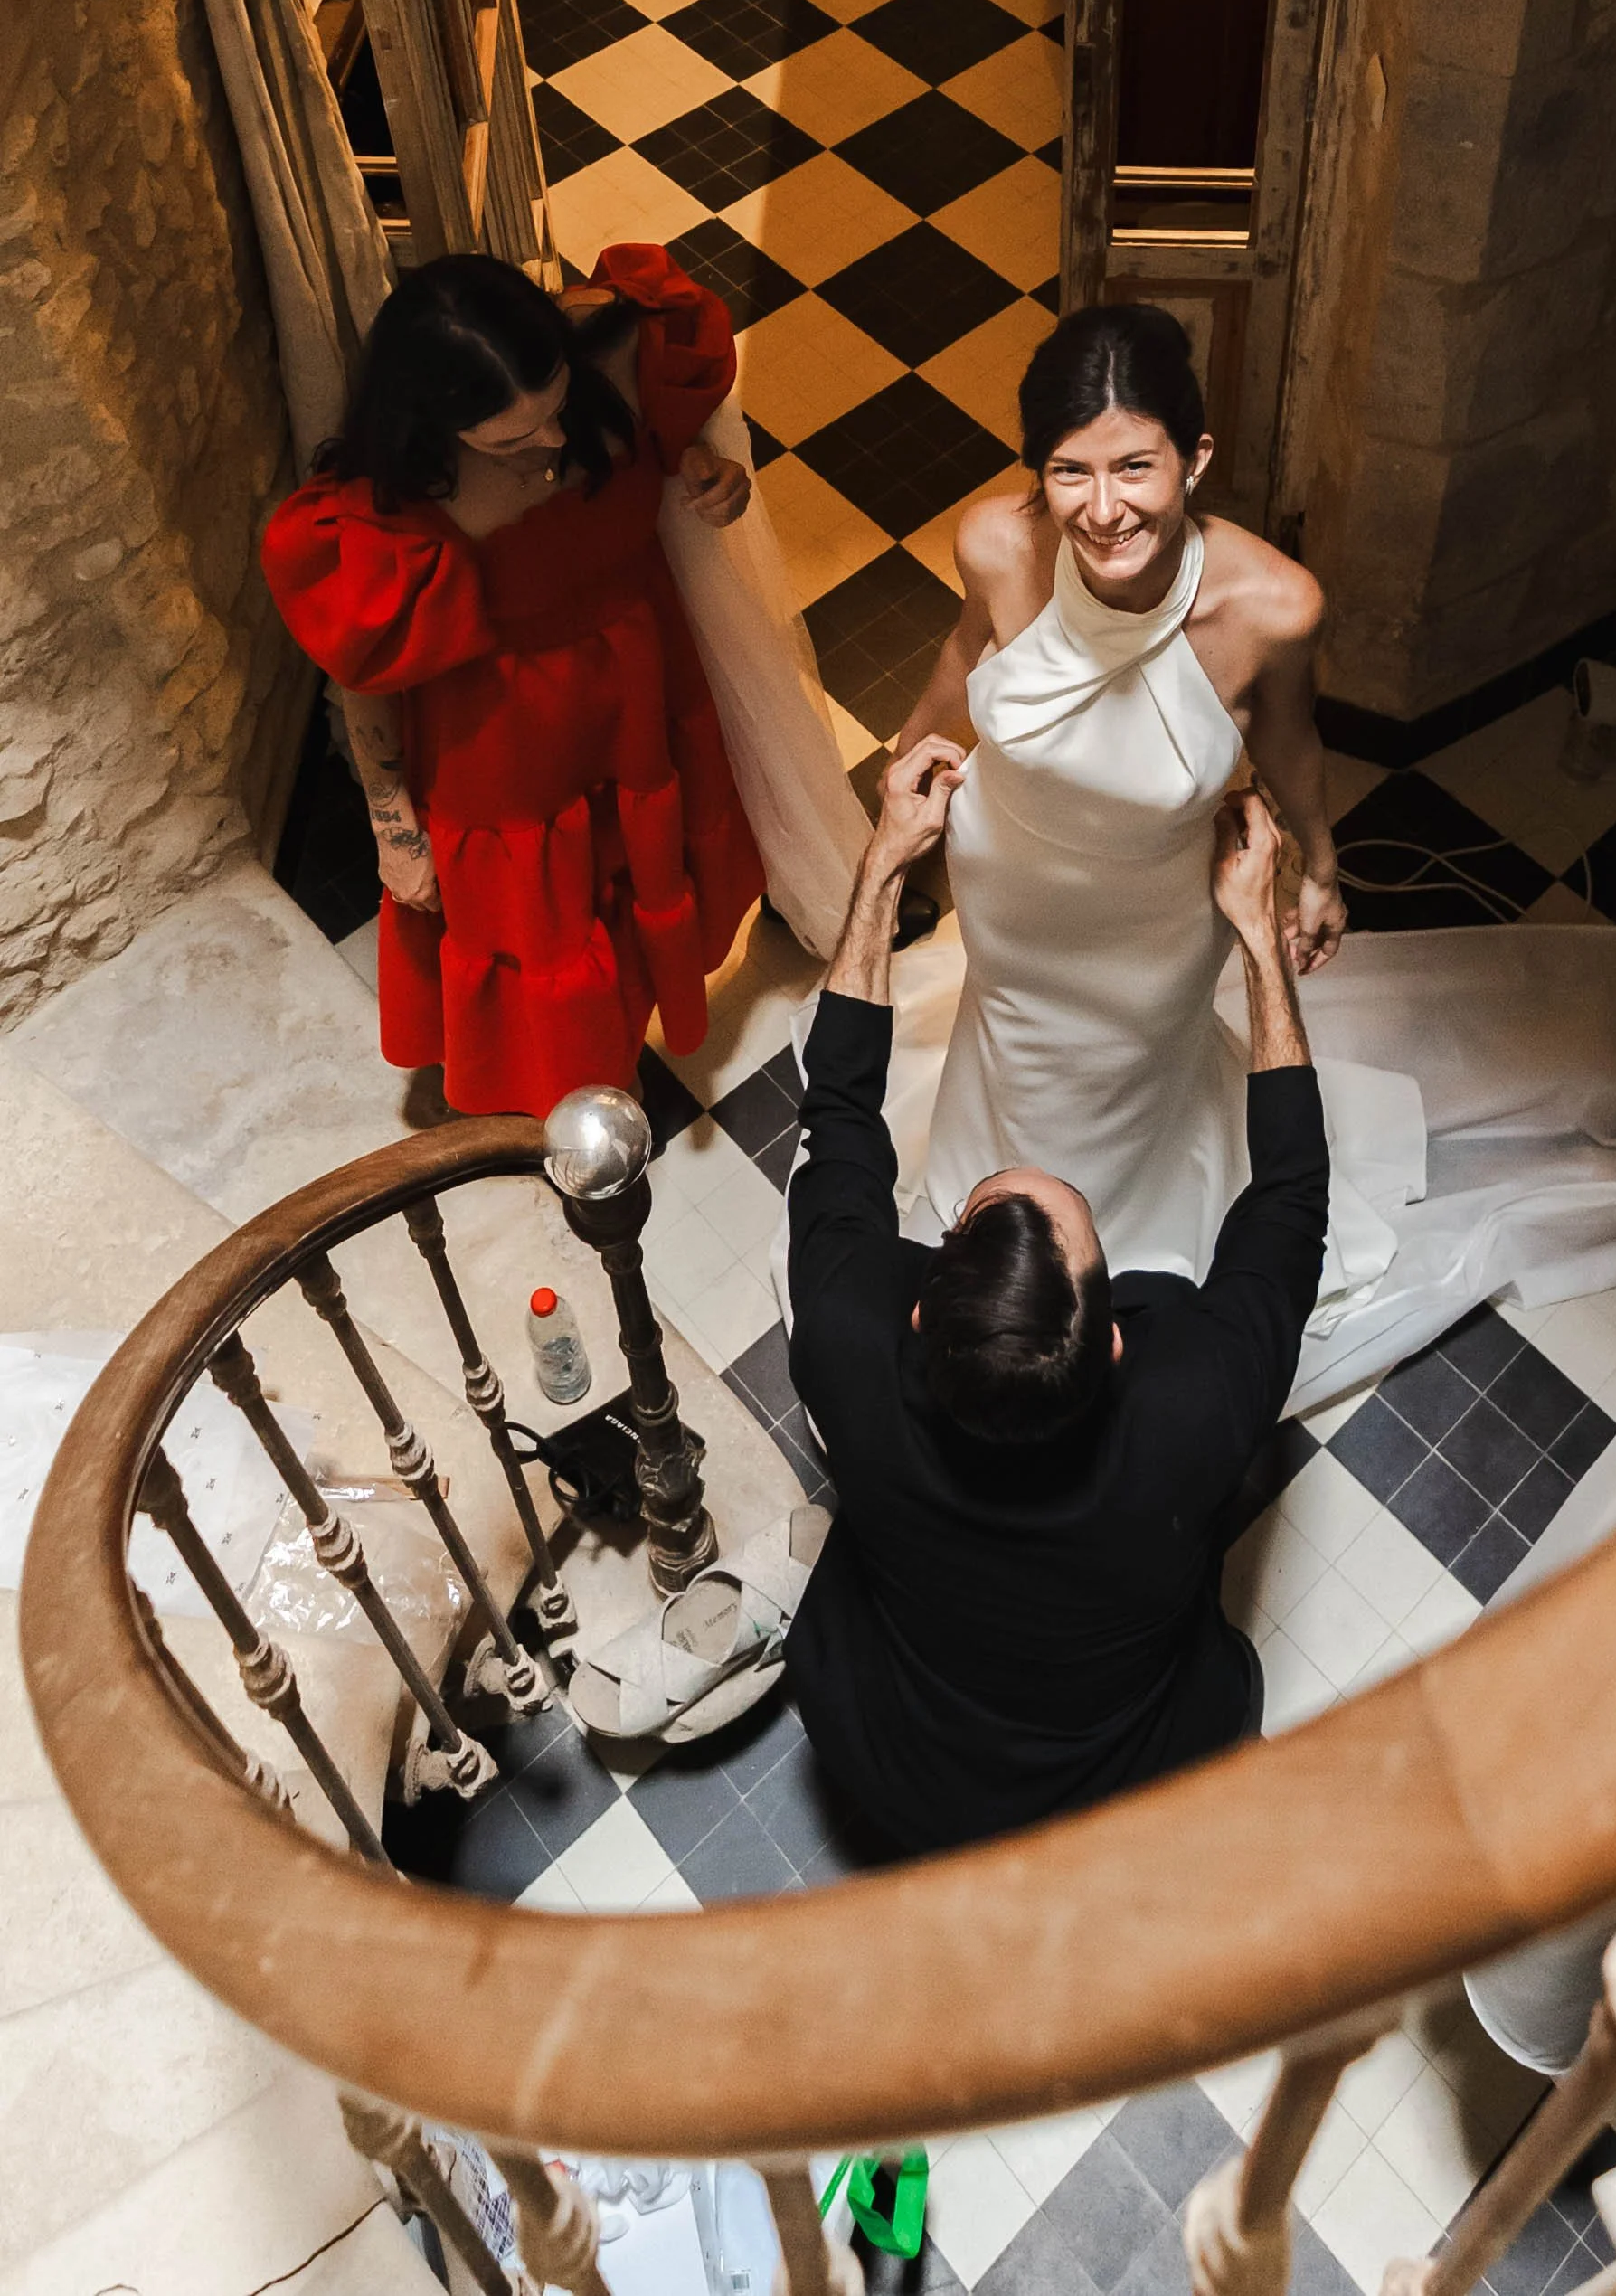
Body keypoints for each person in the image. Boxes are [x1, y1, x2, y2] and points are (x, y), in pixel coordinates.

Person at [782, 740, 1329, 1857]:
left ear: (922, 1309)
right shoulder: (1197, 1403)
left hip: (894, 1760)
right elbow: (1289, 1194)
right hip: (1107, 1789)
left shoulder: (843, 1335)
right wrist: (1256, 940)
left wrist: (885, 860)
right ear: (1116, 1342)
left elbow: (836, 1107)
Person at [894, 302, 1345, 1281]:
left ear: (1194, 458)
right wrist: (909, 759)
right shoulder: (995, 544)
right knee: (1013, 1057)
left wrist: (1319, 863)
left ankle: (1126, 1233)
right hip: (1008, 889)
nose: (1103, 510)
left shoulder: (1273, 606)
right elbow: (965, 654)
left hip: (1153, 925)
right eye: (1069, 471)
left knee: (1125, 1083)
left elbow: (1286, 736)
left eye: (1134, 466)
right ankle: (1002, 1210)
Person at [263, 246, 763, 1116]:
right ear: (433, 423)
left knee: (638, 885)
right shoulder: (392, 506)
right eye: (512, 438)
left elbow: (669, 427)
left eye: (559, 406)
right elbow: (365, 681)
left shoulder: (615, 351)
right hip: (504, 748)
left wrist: (705, 466)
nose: (555, 441)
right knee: (545, 931)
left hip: (639, 698)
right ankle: (574, 1094)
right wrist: (395, 829)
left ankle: (622, 1039)